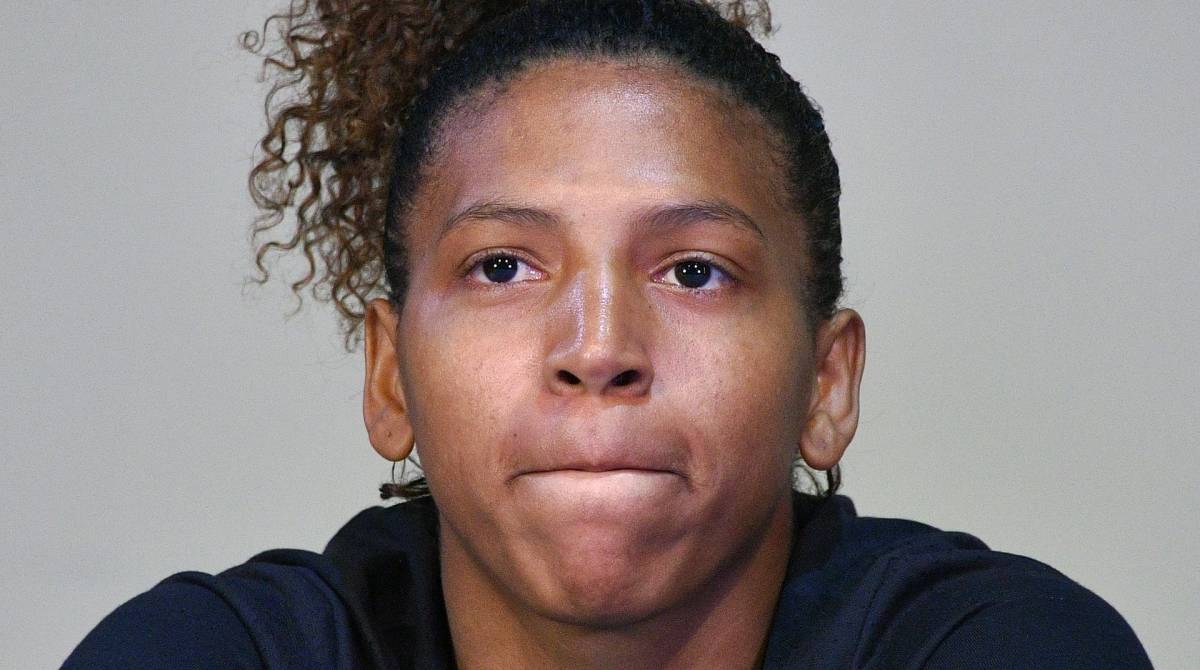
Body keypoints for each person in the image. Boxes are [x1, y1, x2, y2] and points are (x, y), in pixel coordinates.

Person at [63, 1, 1153, 668]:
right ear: (390, 377)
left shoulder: (1006, 647)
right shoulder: (210, 654)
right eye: (502, 266)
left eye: (693, 271)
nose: (598, 348)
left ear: (827, 384)